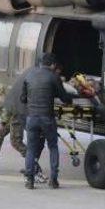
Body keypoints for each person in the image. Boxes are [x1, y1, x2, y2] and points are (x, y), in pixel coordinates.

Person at [21, 53, 72, 190]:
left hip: (31, 118)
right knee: (53, 147)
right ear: (53, 65)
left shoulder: (29, 75)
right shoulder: (53, 76)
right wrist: (69, 99)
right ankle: (53, 180)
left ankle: (29, 180)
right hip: (47, 118)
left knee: (31, 148)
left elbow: (23, 99)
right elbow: (64, 97)